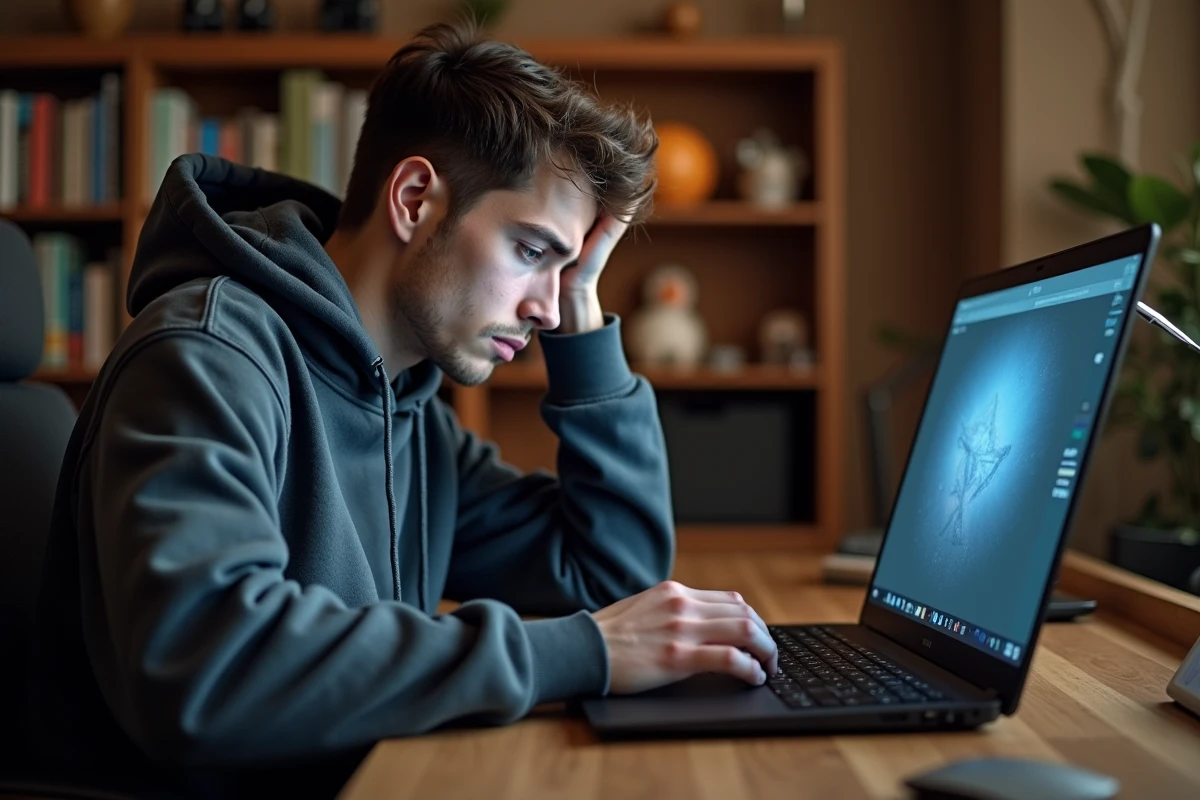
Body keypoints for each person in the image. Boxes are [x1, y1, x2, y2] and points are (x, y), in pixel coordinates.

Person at [25, 22, 778, 798]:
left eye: (567, 268)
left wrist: (583, 305)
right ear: (415, 200)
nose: (547, 310)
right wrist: (580, 652)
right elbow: (206, 669)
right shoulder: (206, 357)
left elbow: (606, 577)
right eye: (531, 251)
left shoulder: (405, 409)